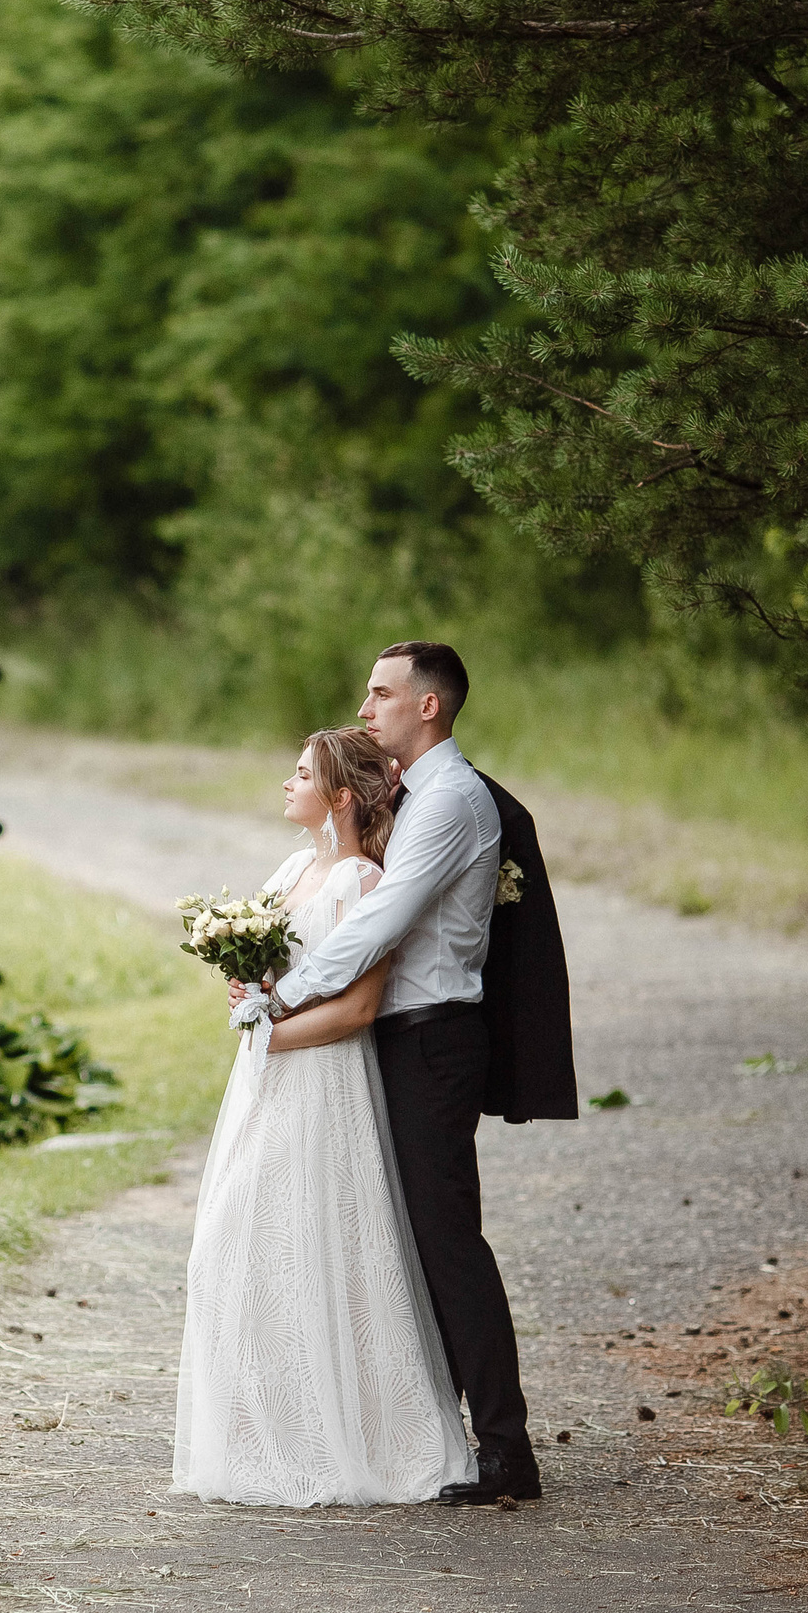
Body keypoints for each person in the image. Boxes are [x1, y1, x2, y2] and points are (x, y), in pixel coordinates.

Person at [230, 641, 573, 1505]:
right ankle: (420, 1422)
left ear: (429, 706)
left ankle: (505, 1449)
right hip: (394, 1037)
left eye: (382, 693)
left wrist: (283, 994)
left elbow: (384, 917)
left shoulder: (451, 799)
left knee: (445, 1241)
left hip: (433, 1040)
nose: (367, 704)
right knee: (398, 1242)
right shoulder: (412, 797)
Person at [173, 726, 476, 1507]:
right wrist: (244, 998)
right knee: (233, 1249)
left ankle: (352, 1433)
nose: (287, 782)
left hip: (321, 1081)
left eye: (302, 773)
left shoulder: (362, 882)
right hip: (266, 1079)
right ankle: (260, 1429)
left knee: (315, 1244)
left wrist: (270, 1033)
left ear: (340, 796)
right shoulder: (290, 869)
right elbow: (264, 982)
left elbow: (359, 1008)